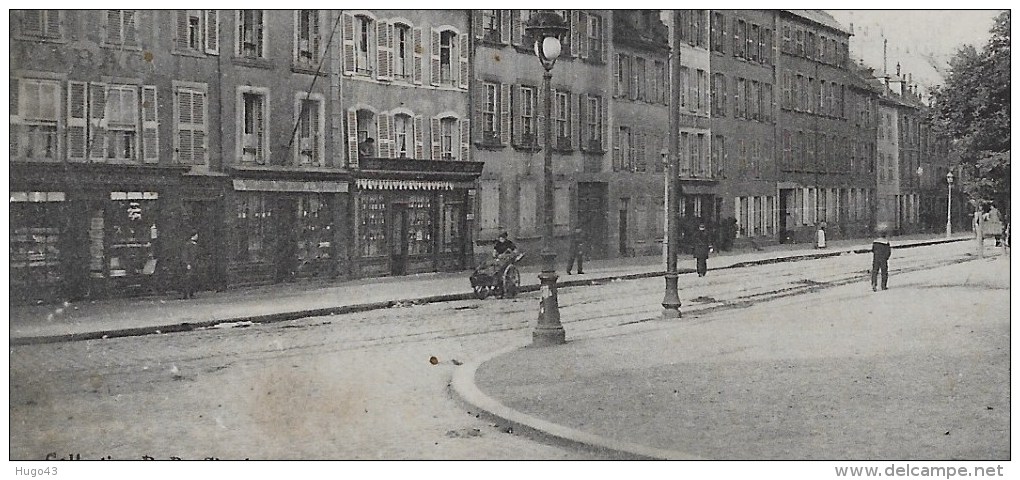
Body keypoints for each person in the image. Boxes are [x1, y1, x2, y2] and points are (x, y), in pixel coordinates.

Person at [871, 226, 891, 292]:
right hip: (883, 259)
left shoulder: (875, 242)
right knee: (884, 272)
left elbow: (873, 250)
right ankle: (883, 285)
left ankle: (874, 283)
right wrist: (886, 257)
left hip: (876, 258)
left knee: (875, 271)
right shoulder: (886, 242)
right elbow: (888, 251)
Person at [181, 232, 200, 299]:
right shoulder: (188, 245)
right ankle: (186, 294)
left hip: (194, 264)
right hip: (190, 264)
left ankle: (191, 293)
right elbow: (185, 255)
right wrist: (187, 263)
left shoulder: (194, 244)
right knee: (188, 279)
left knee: (192, 279)